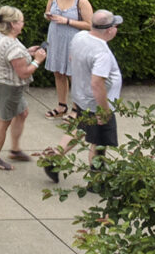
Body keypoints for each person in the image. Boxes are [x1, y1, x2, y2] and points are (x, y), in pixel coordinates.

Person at [43, 10, 126, 182]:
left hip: (81, 98)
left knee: (80, 128)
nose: (116, 29)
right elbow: (97, 83)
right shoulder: (102, 53)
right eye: (116, 26)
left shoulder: (80, 37)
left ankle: (54, 159)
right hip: (98, 105)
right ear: (109, 30)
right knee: (99, 142)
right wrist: (104, 111)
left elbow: (73, 58)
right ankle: (96, 181)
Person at [0, 5, 44, 170]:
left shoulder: (0, 35)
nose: (23, 24)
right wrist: (37, 60)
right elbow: (24, 72)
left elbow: (11, 56)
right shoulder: (13, 46)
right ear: (12, 24)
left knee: (22, 113)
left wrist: (27, 52)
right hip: (7, 87)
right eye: (21, 21)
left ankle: (15, 149)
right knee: (3, 122)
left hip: (2, 82)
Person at [42, 0, 95, 115]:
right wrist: (48, 16)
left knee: (74, 75)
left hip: (73, 42)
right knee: (58, 73)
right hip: (56, 39)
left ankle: (77, 108)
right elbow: (47, 12)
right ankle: (61, 105)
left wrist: (67, 21)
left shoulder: (81, 1)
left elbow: (90, 24)